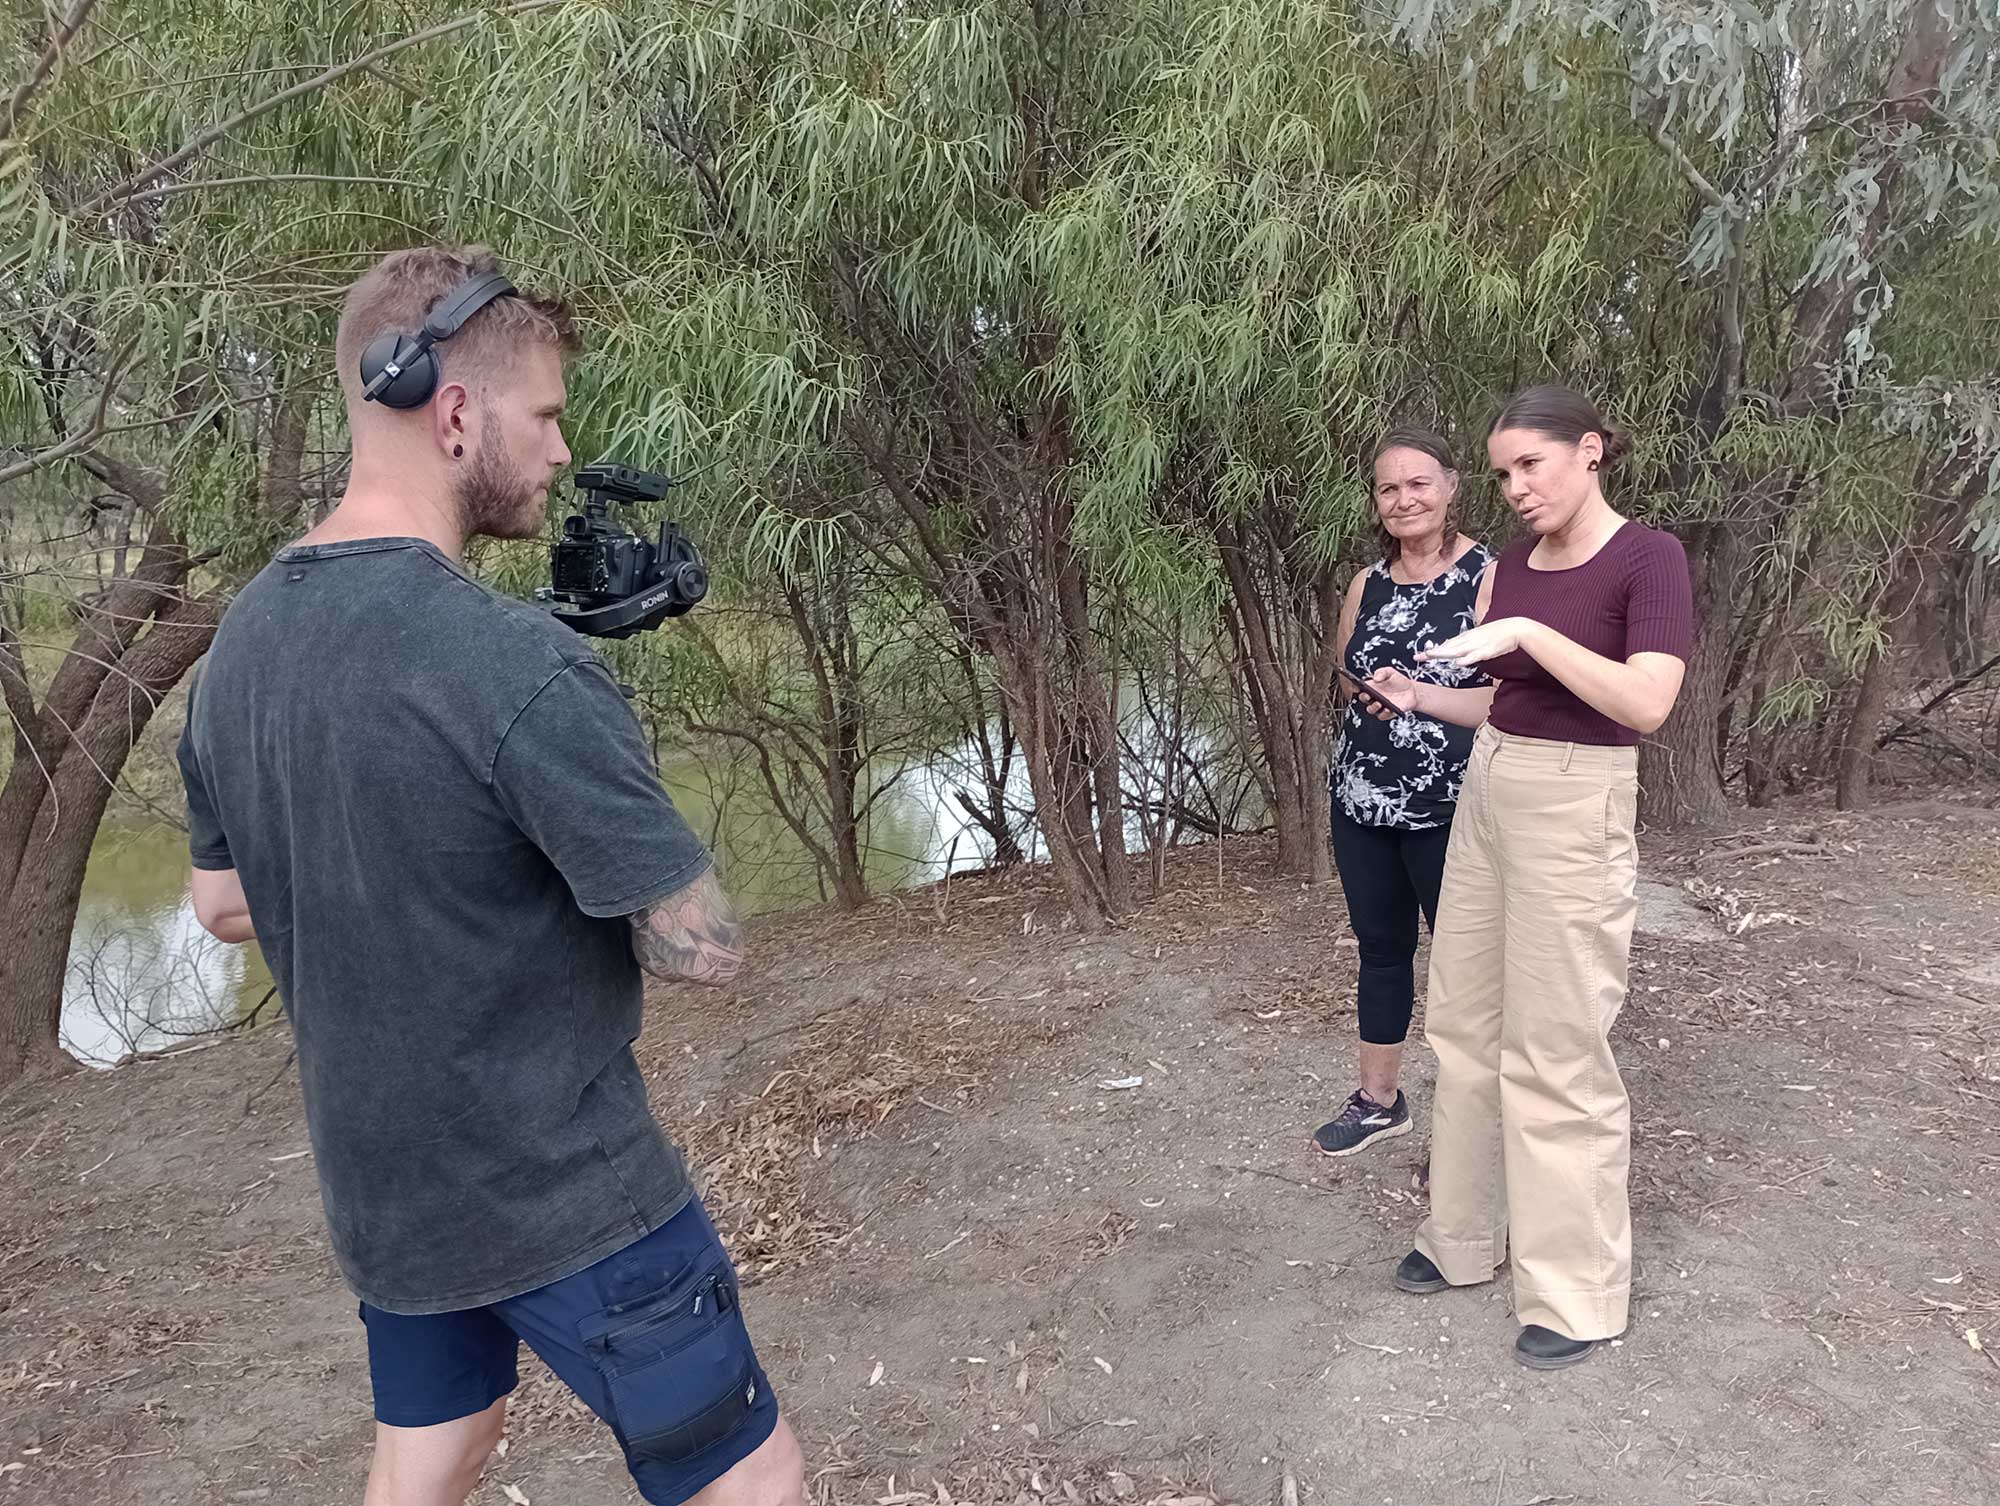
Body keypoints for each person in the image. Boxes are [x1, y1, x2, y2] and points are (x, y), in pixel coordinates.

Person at [178, 244, 809, 1506]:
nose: (563, 450)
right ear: (456, 413)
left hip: (387, 1197)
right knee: (754, 1482)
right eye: (547, 416)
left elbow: (223, 901)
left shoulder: (238, 646)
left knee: (437, 1452)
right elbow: (704, 948)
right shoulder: (515, 666)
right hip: (565, 1192)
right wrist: (589, 758)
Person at [1360, 385, 1692, 1370]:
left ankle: (1575, 1293)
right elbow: (1504, 704)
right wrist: (1421, 696)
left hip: (1576, 798)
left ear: (1588, 451)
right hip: (1492, 785)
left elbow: (1645, 702)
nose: (1514, 487)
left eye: (1529, 465)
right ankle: (1462, 1238)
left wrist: (1529, 636)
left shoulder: (1647, 557)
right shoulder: (1511, 564)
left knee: (1555, 1047)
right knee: (1465, 1026)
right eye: (1502, 472)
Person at [1313, 427, 1492, 1158]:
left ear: (1451, 485)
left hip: (1452, 806)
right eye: (1389, 488)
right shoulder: (1367, 583)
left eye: (1419, 483)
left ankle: (1472, 1130)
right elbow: (1345, 670)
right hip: (1361, 797)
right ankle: (1379, 1101)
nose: (1404, 499)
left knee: (1467, 968)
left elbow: (1506, 700)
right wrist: (1372, 692)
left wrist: (1420, 696)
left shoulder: (1489, 577)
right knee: (1381, 949)